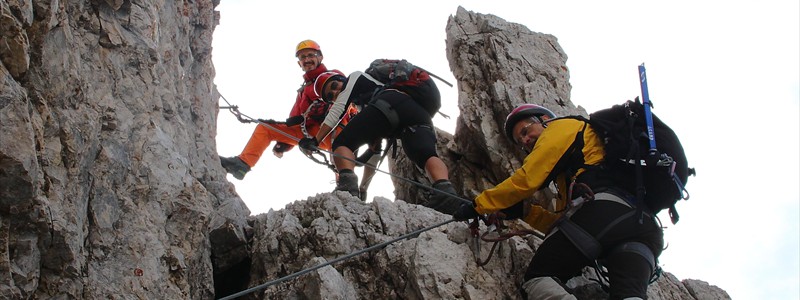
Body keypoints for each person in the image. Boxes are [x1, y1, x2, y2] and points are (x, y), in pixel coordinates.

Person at [453, 104, 664, 300]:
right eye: (520, 140)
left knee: (537, 279)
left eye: (525, 131)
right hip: (644, 229)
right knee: (628, 295)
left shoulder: (562, 127)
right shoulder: (579, 173)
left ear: (545, 119)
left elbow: (527, 179)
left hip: (603, 213)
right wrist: (526, 211)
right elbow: (568, 226)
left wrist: (477, 205)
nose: (525, 141)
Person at [298, 65, 463, 214]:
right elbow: (375, 155)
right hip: (417, 114)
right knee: (425, 154)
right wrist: (364, 187)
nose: (335, 92)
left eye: (334, 85)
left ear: (342, 79)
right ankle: (446, 193)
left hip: (388, 102)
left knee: (342, 143)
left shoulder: (355, 76)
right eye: (331, 96)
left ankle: (347, 188)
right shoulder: (366, 106)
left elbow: (339, 109)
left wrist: (316, 140)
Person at [219, 40, 356, 180]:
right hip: (312, 133)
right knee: (266, 129)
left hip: (336, 128)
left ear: (320, 57)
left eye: (311, 55)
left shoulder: (333, 76)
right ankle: (243, 164)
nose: (307, 60)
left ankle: (346, 183)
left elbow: (346, 99)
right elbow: (295, 119)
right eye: (302, 57)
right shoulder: (304, 90)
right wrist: (284, 144)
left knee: (338, 151)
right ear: (299, 63)